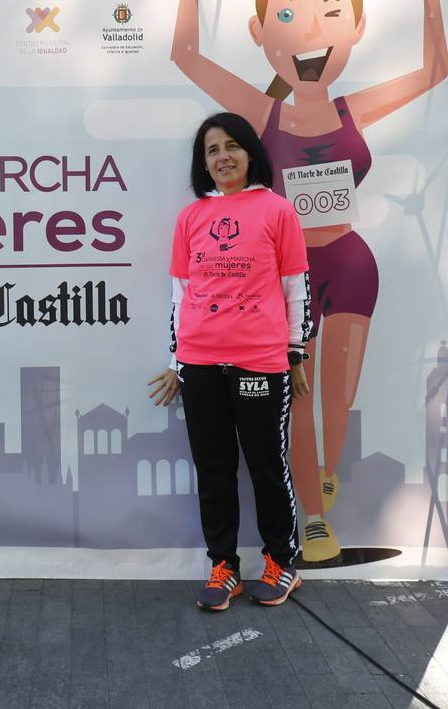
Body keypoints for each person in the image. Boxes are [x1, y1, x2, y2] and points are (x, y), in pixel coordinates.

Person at [171, 0, 448, 561]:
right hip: (285, 277)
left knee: (338, 401)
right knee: (294, 399)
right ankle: (315, 526)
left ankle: (321, 489)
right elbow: (185, 57)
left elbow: (437, 69)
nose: (308, 31)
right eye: (288, 13)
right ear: (259, 31)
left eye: (330, 12)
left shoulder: (354, 110)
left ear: (356, 26)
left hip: (350, 263)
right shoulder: (260, 113)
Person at [147, 112, 313, 611]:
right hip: (199, 363)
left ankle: (282, 562)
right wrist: (177, 362)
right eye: (211, 150)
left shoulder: (278, 211)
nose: (222, 157)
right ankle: (223, 566)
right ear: (204, 163)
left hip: (260, 362)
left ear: (250, 153)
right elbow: (180, 294)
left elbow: (294, 289)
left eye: (231, 146)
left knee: (266, 465)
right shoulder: (191, 217)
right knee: (213, 468)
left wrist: (295, 353)